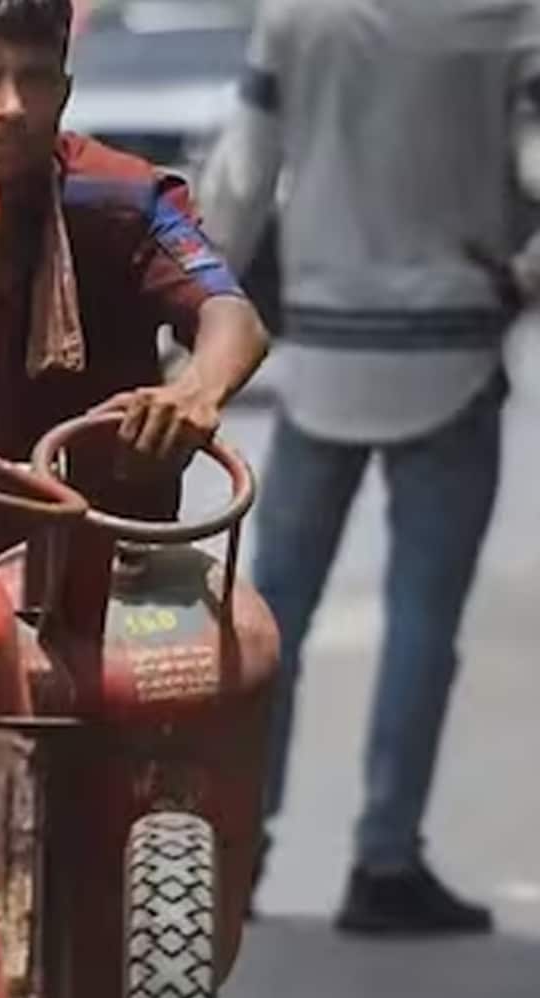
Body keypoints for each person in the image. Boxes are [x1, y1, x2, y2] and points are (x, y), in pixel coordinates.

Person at [197, 0, 540, 936]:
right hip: (452, 349)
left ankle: (241, 849)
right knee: (423, 622)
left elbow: (240, 178)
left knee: (273, 617)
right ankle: (386, 859)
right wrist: (522, 274)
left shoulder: (297, 16)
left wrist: (196, 315)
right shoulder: (505, 19)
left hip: (322, 352)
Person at [0, 0, 268, 546]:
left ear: (65, 92)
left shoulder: (120, 197)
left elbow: (231, 315)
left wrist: (194, 392)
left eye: (35, 79)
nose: (12, 107)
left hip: (99, 550)